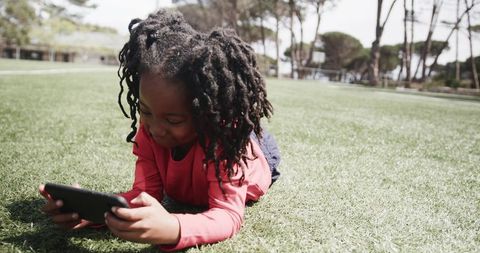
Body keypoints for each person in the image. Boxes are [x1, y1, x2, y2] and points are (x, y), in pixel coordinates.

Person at [39, 8, 280, 251]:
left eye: (173, 120)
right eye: (146, 111)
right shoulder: (149, 132)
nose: (155, 128)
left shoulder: (224, 139)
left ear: (204, 113)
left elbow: (228, 215)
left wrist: (174, 227)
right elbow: (146, 193)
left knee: (245, 137)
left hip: (255, 156)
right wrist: (92, 211)